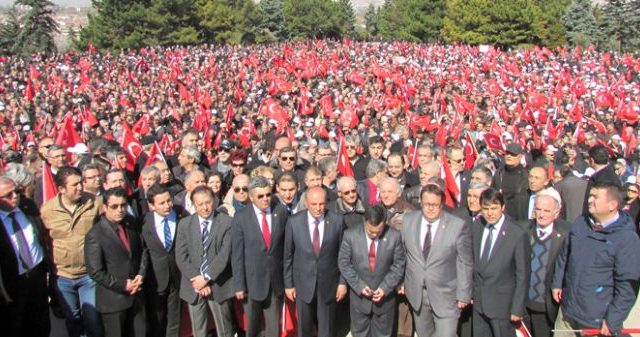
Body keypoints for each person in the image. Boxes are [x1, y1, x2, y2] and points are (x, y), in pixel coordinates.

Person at [552, 181, 640, 336]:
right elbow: (565, 254)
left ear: (612, 205)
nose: (589, 200)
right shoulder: (581, 223)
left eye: (595, 197)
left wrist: (613, 319)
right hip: (567, 311)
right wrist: (557, 283)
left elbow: (627, 285)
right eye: (590, 195)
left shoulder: (626, 239)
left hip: (596, 320)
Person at [400, 184, 473, 337]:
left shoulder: (457, 226)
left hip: (446, 295)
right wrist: (400, 281)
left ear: (442, 204)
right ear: (420, 202)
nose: (430, 208)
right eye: (427, 204)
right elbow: (402, 253)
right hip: (417, 293)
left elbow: (464, 262)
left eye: (435, 205)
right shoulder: (408, 220)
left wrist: (464, 294)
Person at [41, 166, 103, 337]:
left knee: (92, 318)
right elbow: (44, 240)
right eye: (74, 185)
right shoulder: (47, 211)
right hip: (63, 277)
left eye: (81, 183)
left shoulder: (94, 203)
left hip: (89, 275)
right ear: (61, 189)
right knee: (73, 318)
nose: (80, 188)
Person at [284, 186, 348, 337]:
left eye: (321, 204)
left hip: (329, 285)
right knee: (304, 329)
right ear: (306, 203)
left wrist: (342, 282)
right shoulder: (294, 222)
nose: (318, 208)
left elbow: (344, 256)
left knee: (326, 330)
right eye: (314, 204)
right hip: (303, 284)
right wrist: (289, 284)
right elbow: (288, 256)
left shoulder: (337, 221)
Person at [85, 187, 148, 337]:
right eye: (114, 206)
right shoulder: (95, 234)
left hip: (136, 295)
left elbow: (143, 250)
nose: (120, 210)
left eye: (123, 205)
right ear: (104, 207)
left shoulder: (131, 224)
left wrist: (141, 274)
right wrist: (123, 285)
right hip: (113, 300)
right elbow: (95, 271)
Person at [231, 176, 289, 337]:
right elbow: (237, 254)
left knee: (273, 329)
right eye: (261, 196)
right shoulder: (241, 218)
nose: (265, 199)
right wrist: (239, 285)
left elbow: (286, 248)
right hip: (251, 283)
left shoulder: (281, 212)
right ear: (251, 197)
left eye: (268, 195)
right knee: (253, 328)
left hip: (275, 282)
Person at [175, 186, 235, 337]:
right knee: (199, 329)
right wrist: (198, 280)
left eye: (207, 202)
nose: (205, 207)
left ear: (214, 201)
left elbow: (225, 255)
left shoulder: (227, 222)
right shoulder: (185, 224)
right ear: (194, 205)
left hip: (218, 284)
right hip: (194, 285)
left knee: (224, 329)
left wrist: (207, 277)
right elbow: (181, 257)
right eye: (200, 204)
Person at [338, 204, 406, 337]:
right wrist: (360, 286)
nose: (374, 235)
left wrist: (385, 288)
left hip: (384, 301)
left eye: (379, 231)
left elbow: (398, 265)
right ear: (365, 222)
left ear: (385, 224)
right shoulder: (350, 235)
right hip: (360, 300)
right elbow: (344, 263)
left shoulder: (394, 236)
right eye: (370, 231)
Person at [472, 188, 530, 337]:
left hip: (503, 306)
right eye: (485, 208)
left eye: (494, 208)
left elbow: (522, 274)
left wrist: (517, 308)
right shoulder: (477, 227)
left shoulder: (516, 233)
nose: (490, 213)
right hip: (479, 304)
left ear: (503, 207)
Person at [0, 176, 51, 337]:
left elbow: (42, 236)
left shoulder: (27, 206)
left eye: (17, 191)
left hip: (37, 276)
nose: (15, 196)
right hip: (12, 284)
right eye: (8, 195)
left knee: (41, 324)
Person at [141, 184, 187, 337]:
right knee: (157, 320)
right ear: (152, 205)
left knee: (175, 319)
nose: (168, 205)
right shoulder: (144, 222)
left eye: (169, 201)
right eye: (162, 203)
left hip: (177, 277)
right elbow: (143, 251)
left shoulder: (181, 216)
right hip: (155, 280)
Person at [521, 192, 570, 337]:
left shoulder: (566, 234)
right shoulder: (523, 230)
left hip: (547, 307)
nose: (541, 214)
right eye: (538, 209)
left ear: (556, 213)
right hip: (523, 306)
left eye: (546, 211)